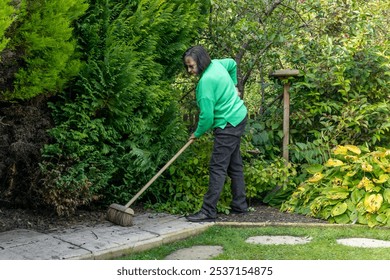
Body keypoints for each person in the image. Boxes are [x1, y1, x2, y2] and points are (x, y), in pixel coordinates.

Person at [183, 45, 248, 222]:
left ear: (201, 61)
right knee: (234, 165)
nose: (189, 70)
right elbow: (233, 64)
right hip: (239, 116)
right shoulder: (218, 64)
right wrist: (235, 86)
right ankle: (240, 206)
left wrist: (196, 133)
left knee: (217, 167)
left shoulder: (205, 84)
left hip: (228, 124)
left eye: (191, 66)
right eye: (187, 66)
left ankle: (208, 211)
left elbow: (207, 117)